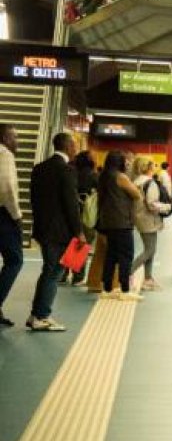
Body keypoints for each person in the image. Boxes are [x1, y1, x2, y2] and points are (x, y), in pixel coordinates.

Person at [28, 133, 84, 331]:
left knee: (49, 270)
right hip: (60, 232)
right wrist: (79, 232)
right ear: (68, 146)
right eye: (75, 145)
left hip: (43, 228)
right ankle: (41, 316)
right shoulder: (67, 171)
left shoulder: (39, 168)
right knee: (53, 271)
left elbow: (33, 199)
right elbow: (71, 205)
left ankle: (36, 313)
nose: (76, 149)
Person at [96, 151, 144, 301]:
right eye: (125, 161)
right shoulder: (120, 177)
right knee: (126, 255)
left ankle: (107, 288)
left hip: (108, 221)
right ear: (120, 162)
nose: (127, 163)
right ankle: (124, 290)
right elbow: (136, 194)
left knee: (111, 256)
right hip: (122, 222)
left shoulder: (103, 176)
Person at [131, 156, 172, 291]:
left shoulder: (136, 181)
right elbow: (152, 204)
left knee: (150, 250)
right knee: (150, 250)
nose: (155, 167)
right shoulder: (150, 183)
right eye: (153, 164)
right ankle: (126, 273)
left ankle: (148, 279)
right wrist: (169, 207)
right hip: (149, 219)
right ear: (148, 167)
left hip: (139, 218)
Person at [63, 151, 98, 286]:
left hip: (71, 212)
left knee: (70, 242)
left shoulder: (71, 173)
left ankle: (64, 273)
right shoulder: (94, 176)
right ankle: (77, 276)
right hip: (88, 213)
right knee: (81, 244)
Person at [0, 124, 22, 327]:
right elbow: (7, 187)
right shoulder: (5, 154)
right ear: (5, 139)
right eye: (14, 137)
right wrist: (16, 216)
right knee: (15, 260)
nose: (18, 141)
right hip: (3, 216)